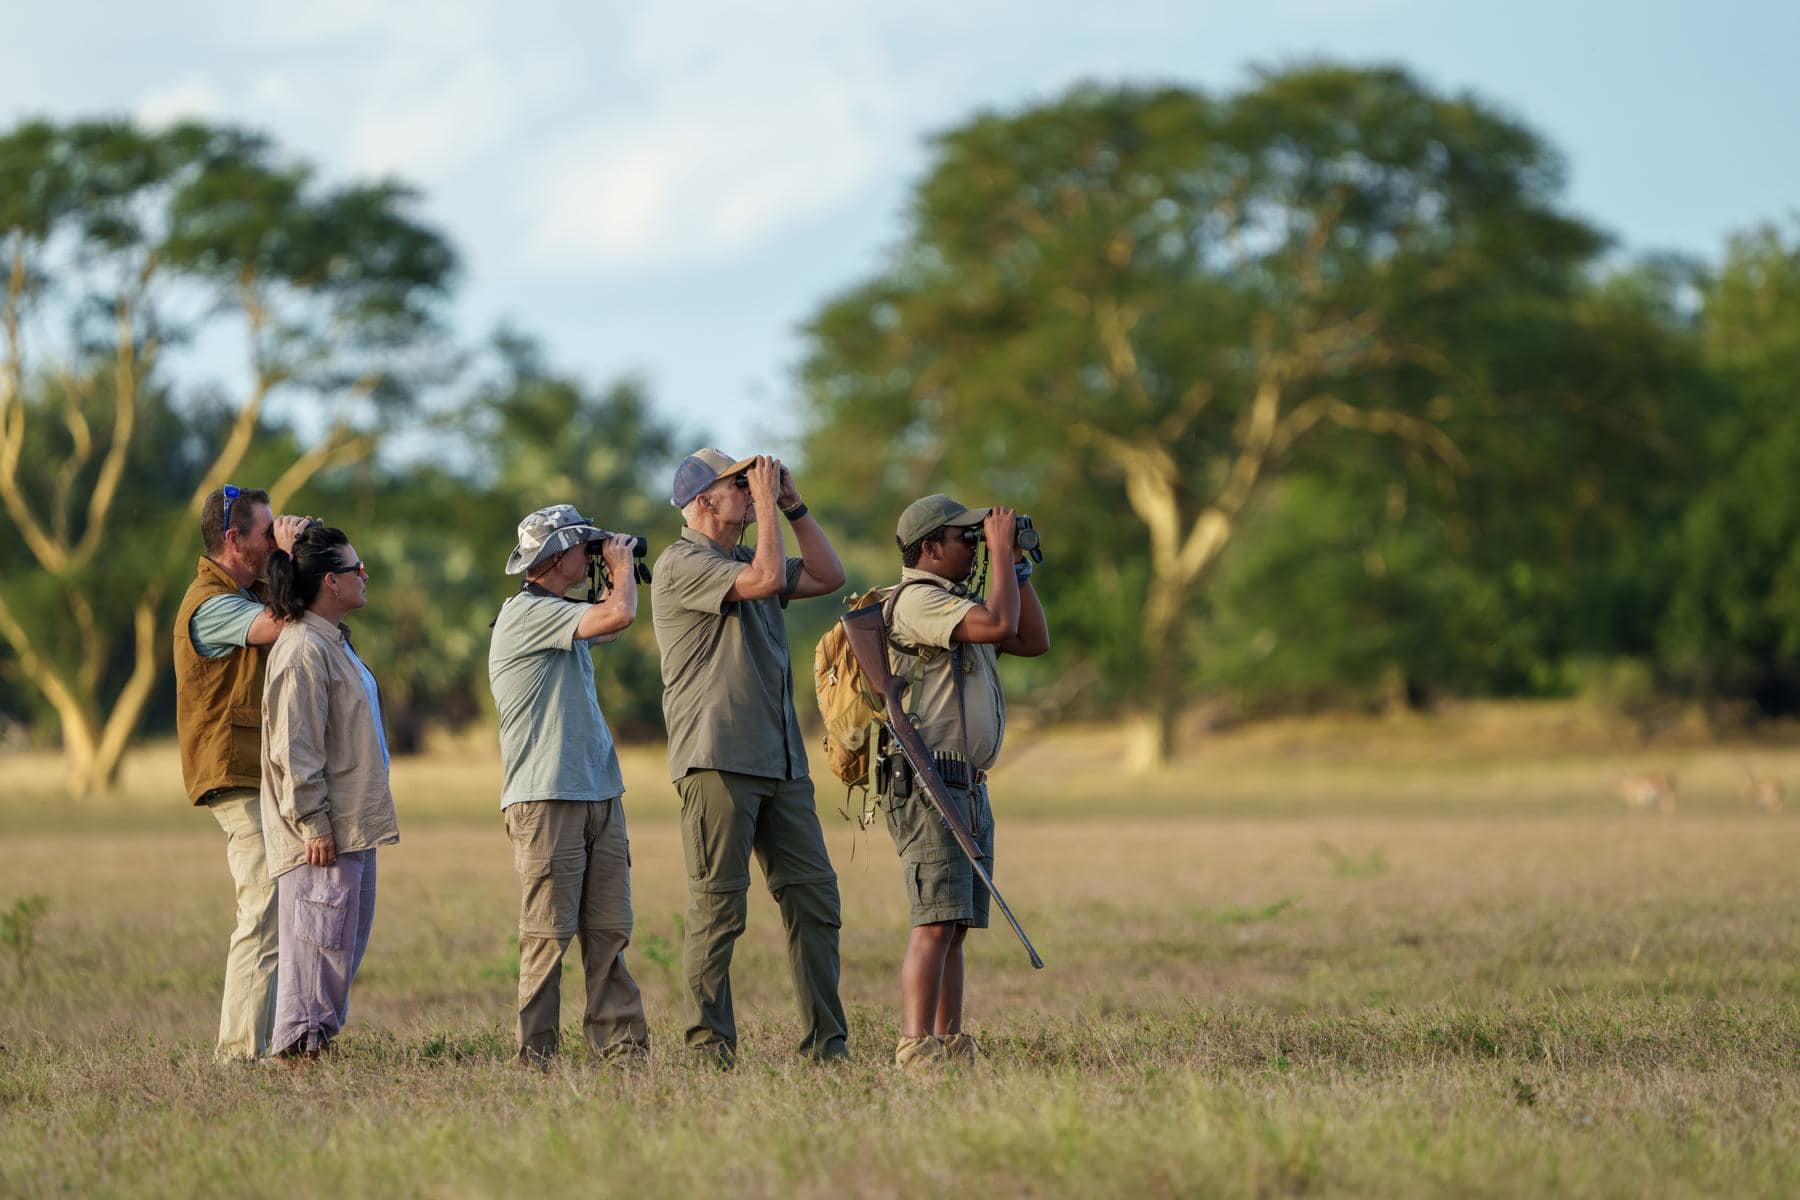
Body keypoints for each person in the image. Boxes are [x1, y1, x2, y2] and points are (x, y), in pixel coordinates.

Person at [651, 449, 849, 1065]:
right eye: (737, 483)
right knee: (719, 906)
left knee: (815, 899)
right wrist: (766, 506)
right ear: (703, 501)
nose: (750, 487)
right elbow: (765, 580)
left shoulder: (744, 556)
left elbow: (827, 576)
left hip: (782, 760)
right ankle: (709, 1050)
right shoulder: (681, 562)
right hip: (718, 758)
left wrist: (793, 505)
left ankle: (827, 1046)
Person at [881, 494, 1049, 1070]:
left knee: (954, 923)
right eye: (964, 539)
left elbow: (1030, 639)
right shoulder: (917, 602)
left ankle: (949, 1042)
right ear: (930, 547)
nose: (974, 546)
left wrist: (1017, 568)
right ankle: (914, 1045)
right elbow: (1001, 624)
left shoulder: (957, 602)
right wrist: (1001, 554)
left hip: (965, 782)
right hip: (929, 781)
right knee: (933, 920)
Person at [489, 505, 650, 1065]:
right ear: (555, 557)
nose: (592, 556)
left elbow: (606, 613)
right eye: (585, 548)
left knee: (609, 932)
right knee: (548, 935)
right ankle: (537, 1056)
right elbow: (619, 615)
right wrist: (622, 565)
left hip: (597, 791)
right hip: (547, 795)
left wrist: (612, 568)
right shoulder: (524, 613)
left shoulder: (559, 613)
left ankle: (623, 1051)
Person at [172, 484, 309, 1062]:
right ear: (234, 540)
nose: (272, 538)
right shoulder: (214, 603)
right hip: (235, 776)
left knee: (278, 910)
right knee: (263, 912)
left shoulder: (238, 592)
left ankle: (270, 1044)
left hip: (258, 775)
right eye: (265, 531)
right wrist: (294, 555)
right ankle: (238, 1056)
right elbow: (280, 625)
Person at [259, 522, 398, 1059]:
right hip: (323, 831)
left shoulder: (331, 641)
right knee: (316, 946)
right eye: (353, 569)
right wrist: (313, 823)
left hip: (352, 824)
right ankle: (299, 1053)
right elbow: (296, 748)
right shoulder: (300, 649)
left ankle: (318, 1045)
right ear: (329, 584)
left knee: (339, 944)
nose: (365, 575)